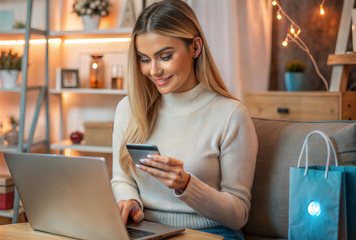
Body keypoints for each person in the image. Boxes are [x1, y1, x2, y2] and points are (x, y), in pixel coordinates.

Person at [110, 0, 257, 239]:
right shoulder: (129, 108)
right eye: (144, 59)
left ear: (195, 48)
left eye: (165, 56)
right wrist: (130, 202)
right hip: (146, 230)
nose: (153, 71)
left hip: (210, 232)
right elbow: (121, 179)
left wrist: (186, 185)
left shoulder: (231, 114)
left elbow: (238, 214)